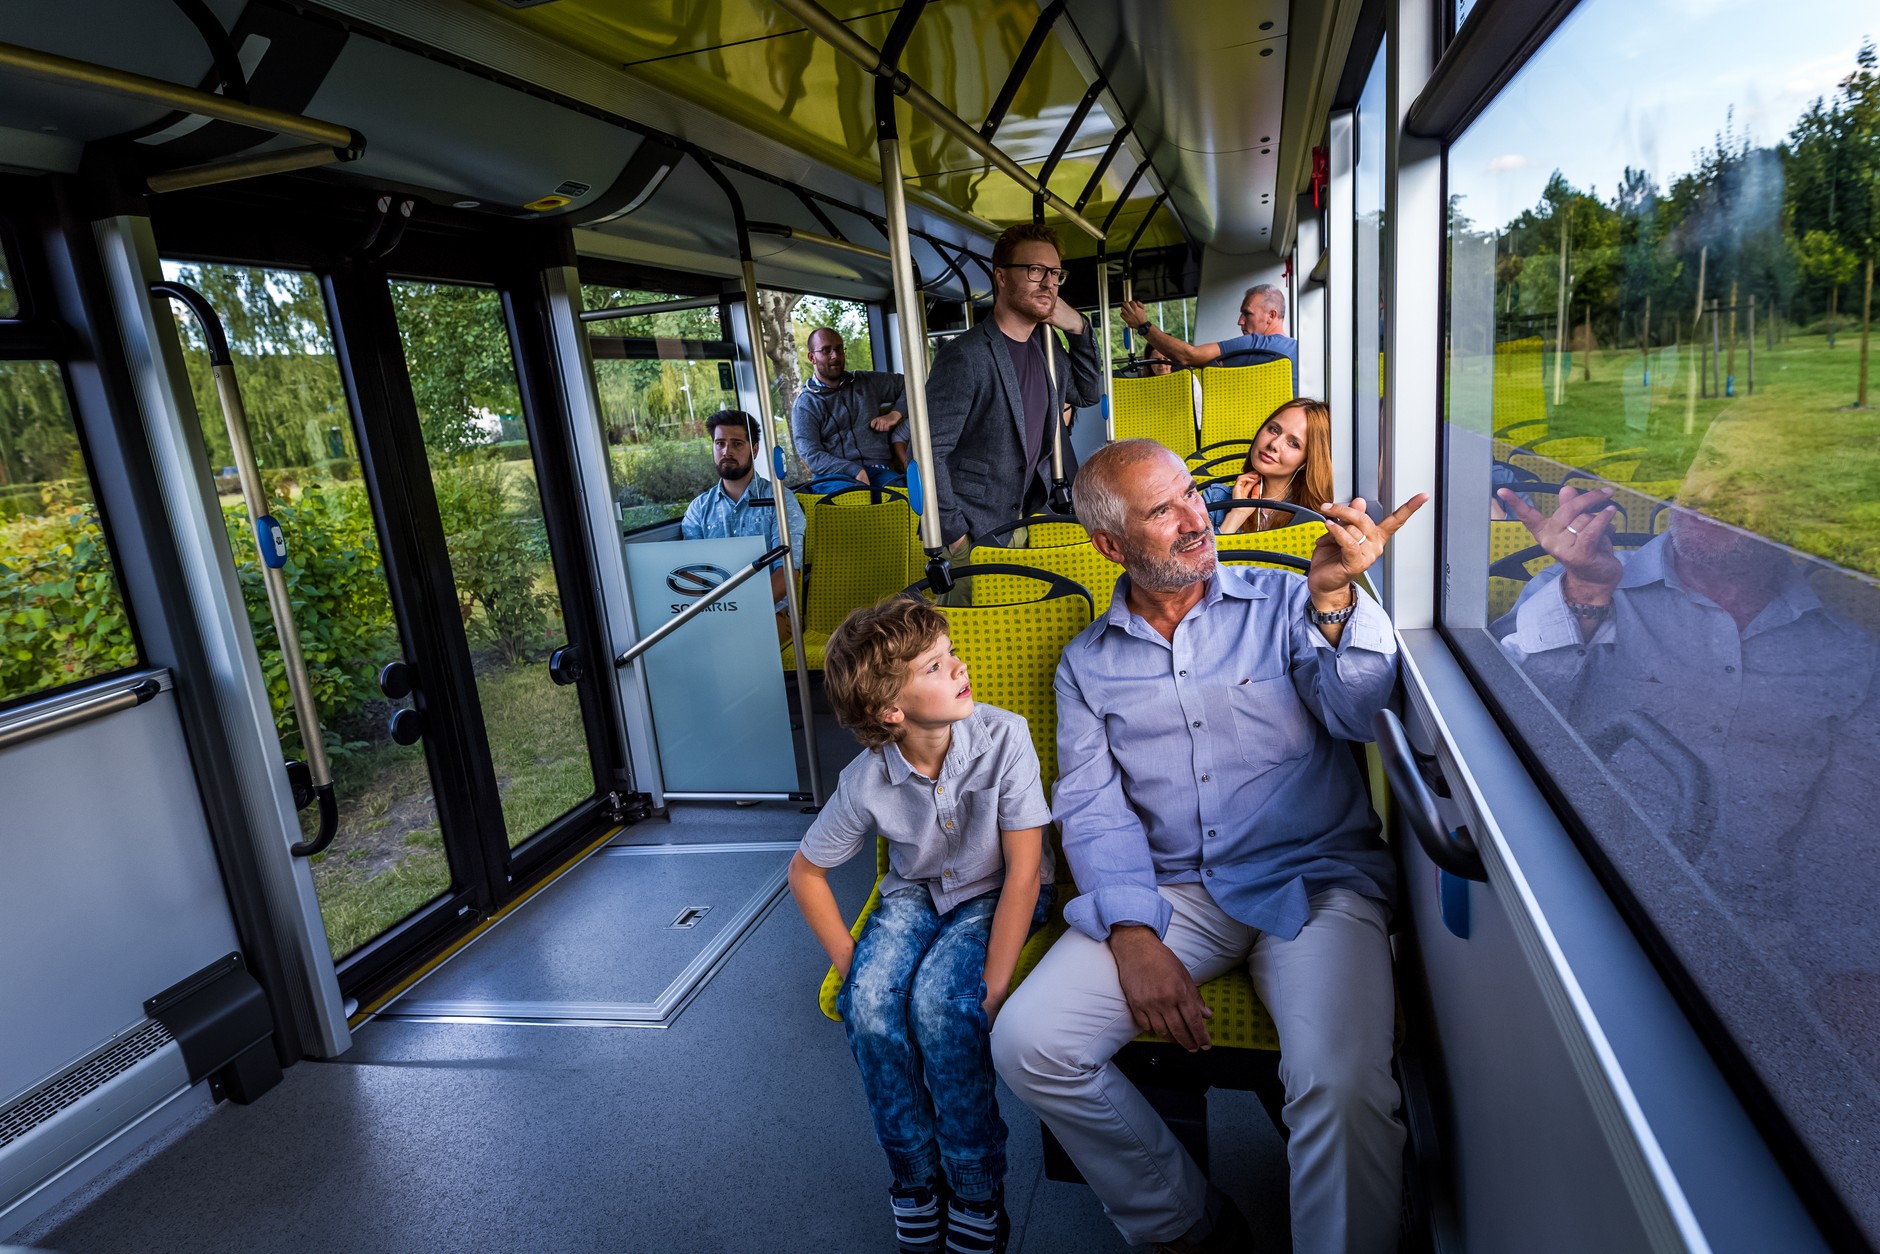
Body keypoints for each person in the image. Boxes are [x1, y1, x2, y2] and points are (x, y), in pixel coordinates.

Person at [991, 438, 1427, 1254]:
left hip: (1315, 882)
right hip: (1175, 893)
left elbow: (1360, 717)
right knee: (1030, 1042)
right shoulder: (1086, 665)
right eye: (1164, 510)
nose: (1198, 518)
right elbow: (1092, 806)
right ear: (1108, 546)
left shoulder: (1286, 601)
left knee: (1338, 1085)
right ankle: (1189, 1227)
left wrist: (1337, 598)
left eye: (1194, 493)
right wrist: (1132, 931)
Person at [788, 596, 1052, 1254]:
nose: (960, 666)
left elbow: (1024, 871)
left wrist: (992, 985)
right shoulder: (866, 778)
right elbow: (805, 872)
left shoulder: (1005, 735)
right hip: (917, 890)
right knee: (871, 1006)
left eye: (949, 653)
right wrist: (859, 971)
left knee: (940, 1005)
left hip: (997, 888)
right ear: (892, 713)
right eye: (936, 666)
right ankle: (914, 1180)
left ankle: (975, 1185)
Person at [926, 223, 1102, 557]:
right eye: (1035, 270)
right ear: (1001, 277)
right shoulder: (966, 356)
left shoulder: (1045, 346)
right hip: (975, 529)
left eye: (1055, 273)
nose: (1049, 282)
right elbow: (929, 451)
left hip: (1029, 518)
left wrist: (1078, 327)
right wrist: (954, 534)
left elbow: (1088, 392)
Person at [679, 409, 807, 632]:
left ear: (754, 449)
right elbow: (694, 574)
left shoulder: (779, 500)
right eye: (720, 443)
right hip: (715, 617)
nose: (726, 451)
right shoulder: (698, 509)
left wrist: (742, 612)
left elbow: (787, 573)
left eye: (737, 444)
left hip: (772, 614)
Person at [792, 326, 911, 488]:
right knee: (854, 498)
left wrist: (895, 414)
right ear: (812, 357)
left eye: (839, 349)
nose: (835, 356)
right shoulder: (805, 404)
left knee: (905, 495)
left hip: (879, 470)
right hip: (835, 476)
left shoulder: (866, 382)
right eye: (826, 350)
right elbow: (812, 456)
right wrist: (854, 470)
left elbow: (911, 383)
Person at [1121, 284, 1299, 392]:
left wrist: (1143, 326)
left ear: (1271, 315)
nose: (1240, 321)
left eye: (1247, 314)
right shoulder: (1298, 349)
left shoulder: (1254, 345)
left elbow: (1188, 356)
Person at [1205, 397, 1335, 534]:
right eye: (1273, 430)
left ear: (1307, 461)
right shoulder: (1215, 498)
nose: (1274, 444)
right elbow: (1201, 556)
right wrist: (1236, 515)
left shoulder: (1315, 519)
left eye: (1293, 443)